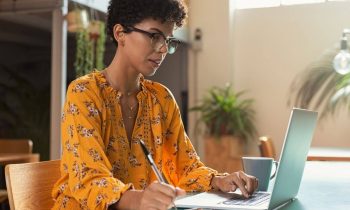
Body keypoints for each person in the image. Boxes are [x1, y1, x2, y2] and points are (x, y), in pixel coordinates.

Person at [52, 0, 258, 209]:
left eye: (168, 40)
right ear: (120, 33)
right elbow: (89, 177)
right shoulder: (84, 93)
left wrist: (220, 181)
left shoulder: (162, 99)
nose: (162, 49)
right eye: (154, 36)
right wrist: (140, 199)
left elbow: (186, 167)